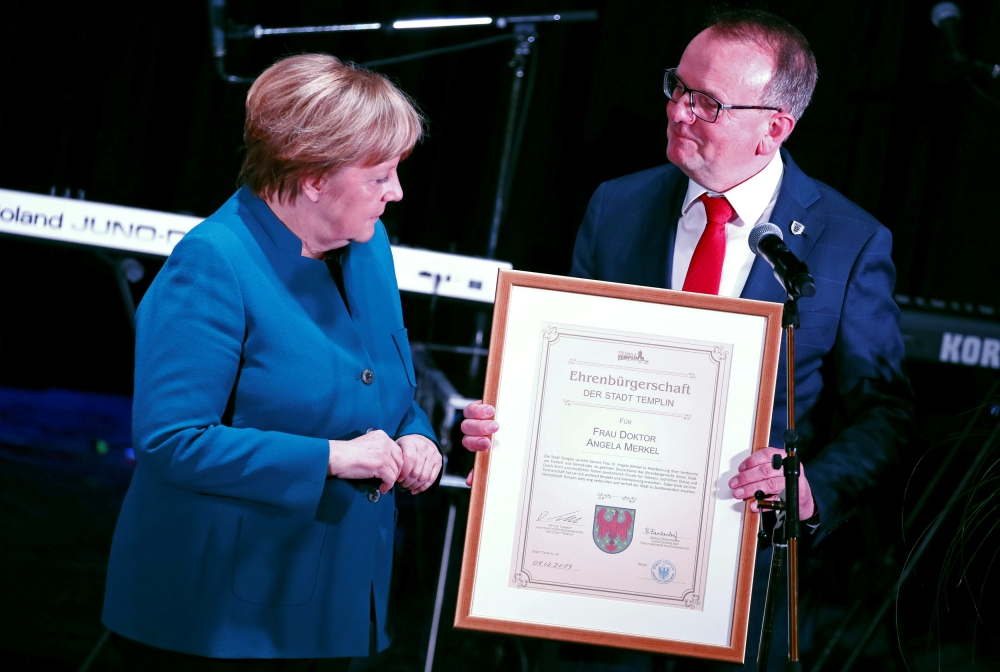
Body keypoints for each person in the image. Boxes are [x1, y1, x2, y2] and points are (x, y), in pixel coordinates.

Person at [462, 9, 915, 670]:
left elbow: (885, 411)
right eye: (678, 87)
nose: (678, 112)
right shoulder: (615, 206)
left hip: (743, 570)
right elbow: (571, 372)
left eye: (707, 103)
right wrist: (509, 424)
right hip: (596, 557)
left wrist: (812, 486)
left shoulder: (848, 242)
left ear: (774, 128)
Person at [102, 53, 442, 670]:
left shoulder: (367, 245)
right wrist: (336, 458)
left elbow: (379, 384)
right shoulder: (214, 261)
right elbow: (171, 441)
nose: (396, 192)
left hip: (333, 607)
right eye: (379, 176)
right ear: (314, 178)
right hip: (222, 622)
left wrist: (415, 436)